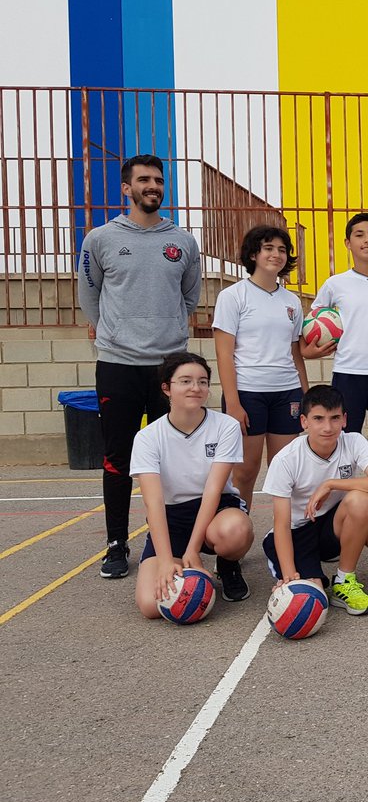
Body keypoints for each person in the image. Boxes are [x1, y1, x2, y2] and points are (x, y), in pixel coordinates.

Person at [77, 153, 201, 579]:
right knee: (118, 457)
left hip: (168, 367)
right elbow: (89, 294)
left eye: (158, 180)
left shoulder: (182, 241)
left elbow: (189, 297)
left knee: (172, 459)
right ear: (127, 188)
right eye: (144, 180)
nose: (153, 186)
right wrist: (112, 332)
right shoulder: (100, 239)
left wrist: (166, 333)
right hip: (118, 365)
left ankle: (172, 542)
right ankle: (116, 544)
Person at [131, 352, 254, 616]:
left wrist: (193, 549)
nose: (195, 388)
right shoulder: (148, 437)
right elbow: (153, 504)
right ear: (167, 388)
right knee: (151, 606)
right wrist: (165, 561)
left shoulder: (226, 427)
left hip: (216, 510)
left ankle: (227, 565)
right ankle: (183, 565)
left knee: (235, 530)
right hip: (172, 516)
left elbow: (212, 490)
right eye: (185, 381)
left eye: (202, 381)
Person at [261, 385, 368, 615]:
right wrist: (290, 573)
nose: (327, 427)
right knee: (312, 597)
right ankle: (311, 577)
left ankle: (344, 582)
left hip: (330, 525)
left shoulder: (352, 441)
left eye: (334, 418)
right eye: (318, 418)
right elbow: (281, 523)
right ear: (304, 422)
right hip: (297, 532)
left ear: (344, 419)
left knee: (362, 503)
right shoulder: (286, 459)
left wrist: (331, 484)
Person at [213, 225, 307, 507]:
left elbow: (295, 352)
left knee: (286, 472)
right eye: (269, 248)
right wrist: (233, 403)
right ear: (253, 253)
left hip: (287, 393)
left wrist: (305, 394)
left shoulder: (292, 301)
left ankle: (286, 539)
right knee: (245, 470)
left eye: (281, 249)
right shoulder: (233, 296)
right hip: (248, 394)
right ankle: (237, 536)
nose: (276, 254)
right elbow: (223, 354)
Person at [304, 212, 368, 464]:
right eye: (359, 235)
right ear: (348, 243)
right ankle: (345, 496)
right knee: (343, 439)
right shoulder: (335, 284)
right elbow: (313, 324)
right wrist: (315, 349)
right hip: (348, 373)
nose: (367, 241)